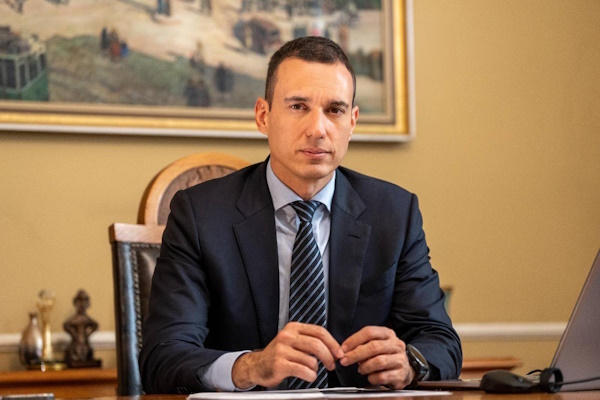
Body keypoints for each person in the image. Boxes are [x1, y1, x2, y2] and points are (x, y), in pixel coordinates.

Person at [140, 36, 462, 394]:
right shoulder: (200, 215)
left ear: (352, 122)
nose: (318, 129)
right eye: (298, 106)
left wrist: (410, 363)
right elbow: (163, 357)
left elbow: (440, 339)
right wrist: (250, 366)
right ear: (263, 116)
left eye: (335, 110)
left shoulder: (394, 213)